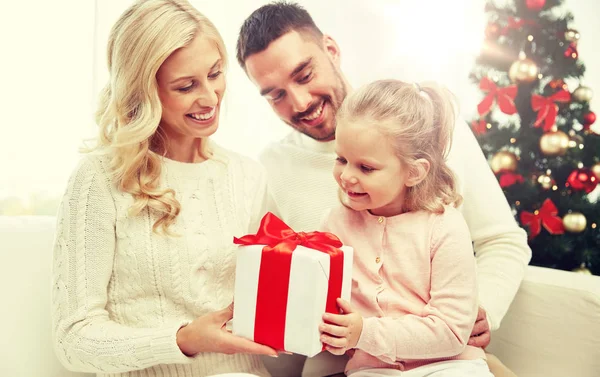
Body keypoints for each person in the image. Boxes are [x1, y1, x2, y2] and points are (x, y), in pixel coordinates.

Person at [236, 2, 529, 377]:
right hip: (354, 363)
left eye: (304, 75)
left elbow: (502, 241)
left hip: (446, 354)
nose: (301, 102)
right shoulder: (274, 166)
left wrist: (477, 307)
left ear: (331, 49)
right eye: (275, 95)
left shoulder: (426, 129)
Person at [51, 1, 278, 376]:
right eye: (186, 86)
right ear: (144, 91)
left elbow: (275, 299)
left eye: (215, 74)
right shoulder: (99, 180)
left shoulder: (248, 176)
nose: (210, 97)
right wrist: (183, 339)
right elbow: (73, 340)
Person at [318, 79, 494, 376]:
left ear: (414, 171)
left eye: (366, 167)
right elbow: (325, 309)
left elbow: (451, 332)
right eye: (341, 159)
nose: (346, 176)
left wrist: (365, 333)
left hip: (450, 364)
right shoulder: (334, 224)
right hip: (373, 368)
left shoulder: (444, 226)